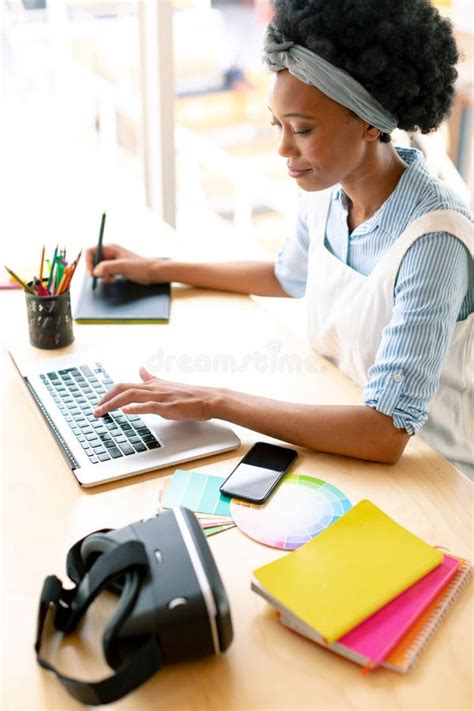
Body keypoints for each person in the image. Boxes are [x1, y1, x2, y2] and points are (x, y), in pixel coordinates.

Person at [87, 0, 473, 478]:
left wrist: (213, 400)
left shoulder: (435, 241)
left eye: (302, 130)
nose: (283, 149)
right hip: (341, 445)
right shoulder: (327, 188)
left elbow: (384, 432)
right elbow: (286, 274)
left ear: (371, 121)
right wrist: (156, 268)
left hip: (434, 480)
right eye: (278, 124)